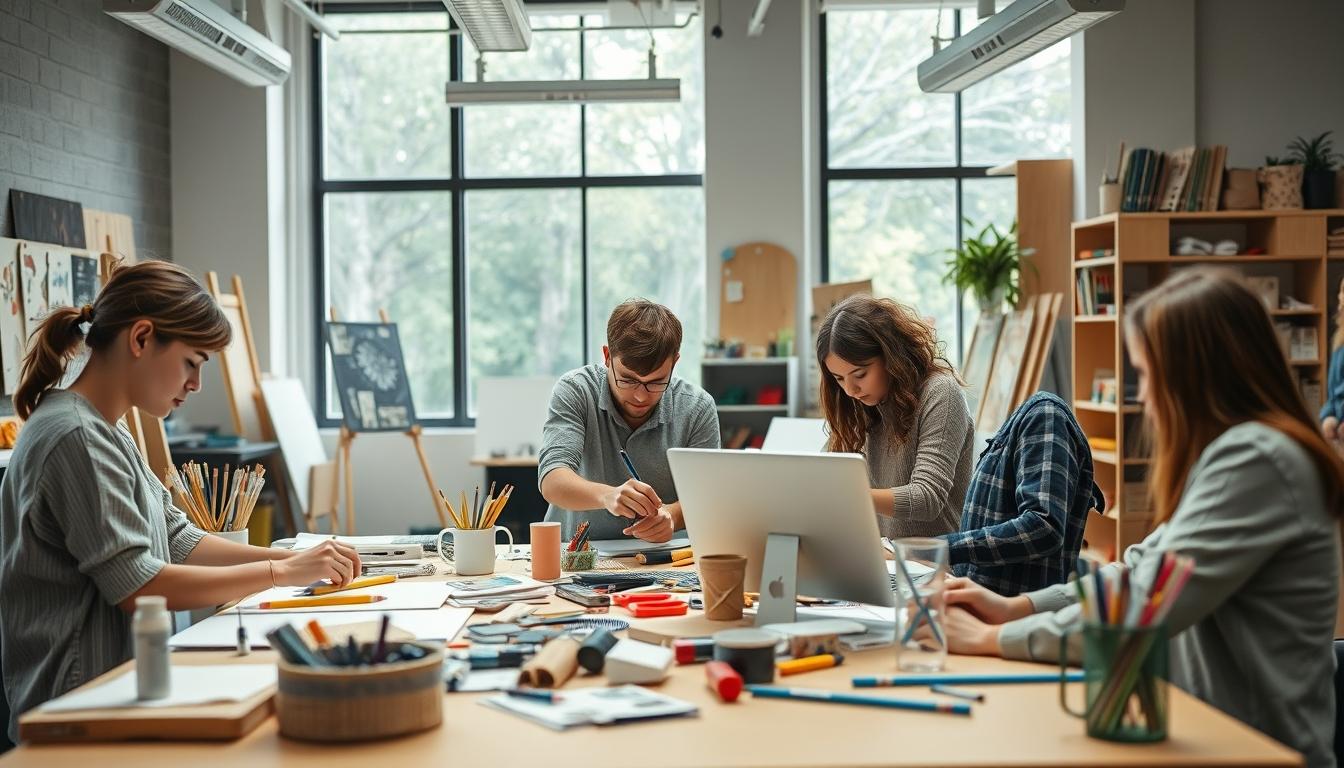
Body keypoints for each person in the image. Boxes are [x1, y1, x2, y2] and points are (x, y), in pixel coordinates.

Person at [936, 270, 1343, 767]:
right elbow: (1137, 571)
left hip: (1254, 750)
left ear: (1193, 376)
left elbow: (1147, 603)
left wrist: (992, 639)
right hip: (1205, 736)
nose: (1143, 396)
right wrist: (1016, 609)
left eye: (1147, 374)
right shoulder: (1237, 455)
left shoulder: (1259, 460)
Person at [0, 261, 361, 739]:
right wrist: (282, 573)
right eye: (193, 362)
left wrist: (294, 557)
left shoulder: (105, 426)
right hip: (78, 713)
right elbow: (139, 586)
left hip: (118, 692)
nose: (196, 384)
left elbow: (177, 537)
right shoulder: (77, 436)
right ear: (142, 338)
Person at [539, 299, 719, 543]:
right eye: (628, 379)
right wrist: (607, 496)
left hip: (663, 557)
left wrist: (672, 516)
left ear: (675, 362)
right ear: (607, 356)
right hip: (578, 556)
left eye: (656, 382)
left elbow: (707, 494)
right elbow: (552, 480)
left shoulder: (697, 407)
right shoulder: (576, 390)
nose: (640, 395)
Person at [816, 294, 973, 538]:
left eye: (859, 374)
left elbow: (926, 498)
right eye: (839, 379)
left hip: (937, 566)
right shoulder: (861, 404)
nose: (849, 390)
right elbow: (826, 478)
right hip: (886, 560)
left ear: (891, 357)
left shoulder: (941, 392)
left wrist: (848, 495)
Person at [940, 391, 1102, 596]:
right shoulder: (1030, 419)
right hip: (987, 608)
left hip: (1012, 616)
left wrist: (944, 549)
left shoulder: (1045, 415)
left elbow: (1043, 526)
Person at [1319, 275, 1344, 443]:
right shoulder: (1340, 339)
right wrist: (1328, 417)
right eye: (1342, 291)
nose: (1341, 297)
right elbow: (1334, 392)